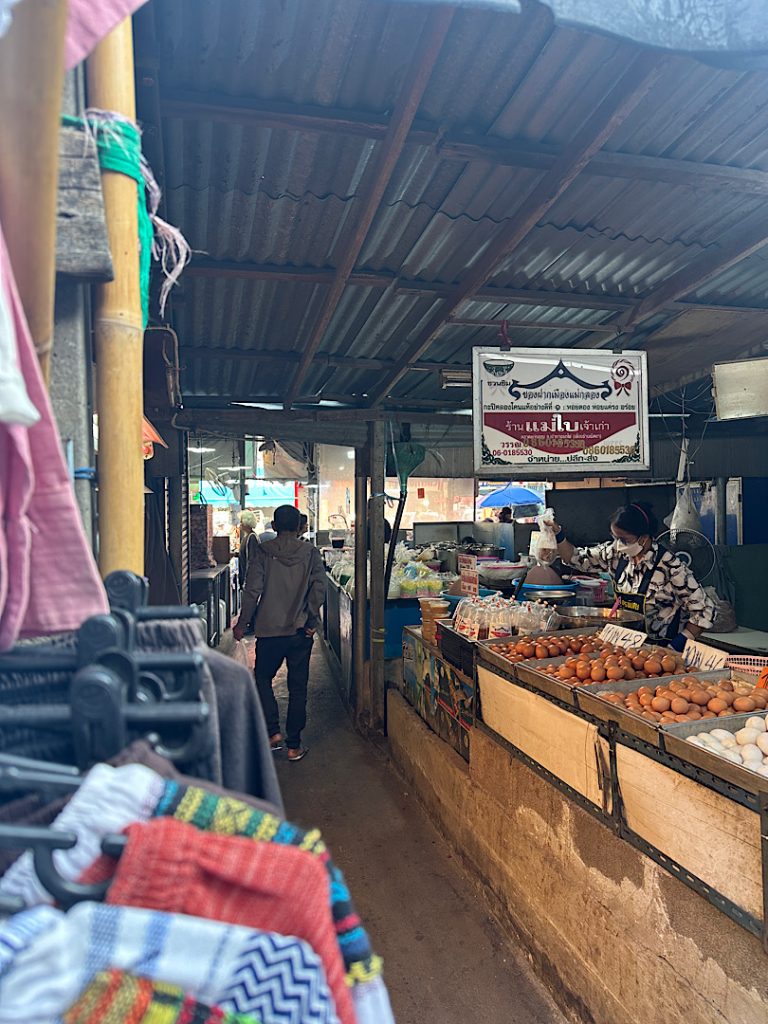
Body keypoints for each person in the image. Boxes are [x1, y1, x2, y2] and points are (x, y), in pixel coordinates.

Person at [551, 502, 716, 649]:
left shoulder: (670, 567)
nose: (618, 545)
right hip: (625, 646)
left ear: (643, 538)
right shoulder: (616, 555)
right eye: (615, 538)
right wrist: (557, 534)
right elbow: (574, 558)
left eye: (624, 540)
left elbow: (705, 610)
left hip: (660, 650)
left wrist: (678, 644)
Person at [233, 504, 327, 762]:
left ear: (274, 526)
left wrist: (242, 623)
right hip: (300, 631)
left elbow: (252, 591)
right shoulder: (310, 553)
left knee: (263, 679)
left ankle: (272, 731)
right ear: (299, 527)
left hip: (269, 630)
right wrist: (311, 620)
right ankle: (294, 745)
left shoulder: (263, 552)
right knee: (298, 687)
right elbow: (319, 588)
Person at [237, 510, 260, 633]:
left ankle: (251, 626)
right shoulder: (248, 537)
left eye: (241, 522)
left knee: (250, 602)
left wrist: (247, 578)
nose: (240, 524)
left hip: (250, 577)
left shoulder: (251, 538)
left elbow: (252, 560)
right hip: (247, 576)